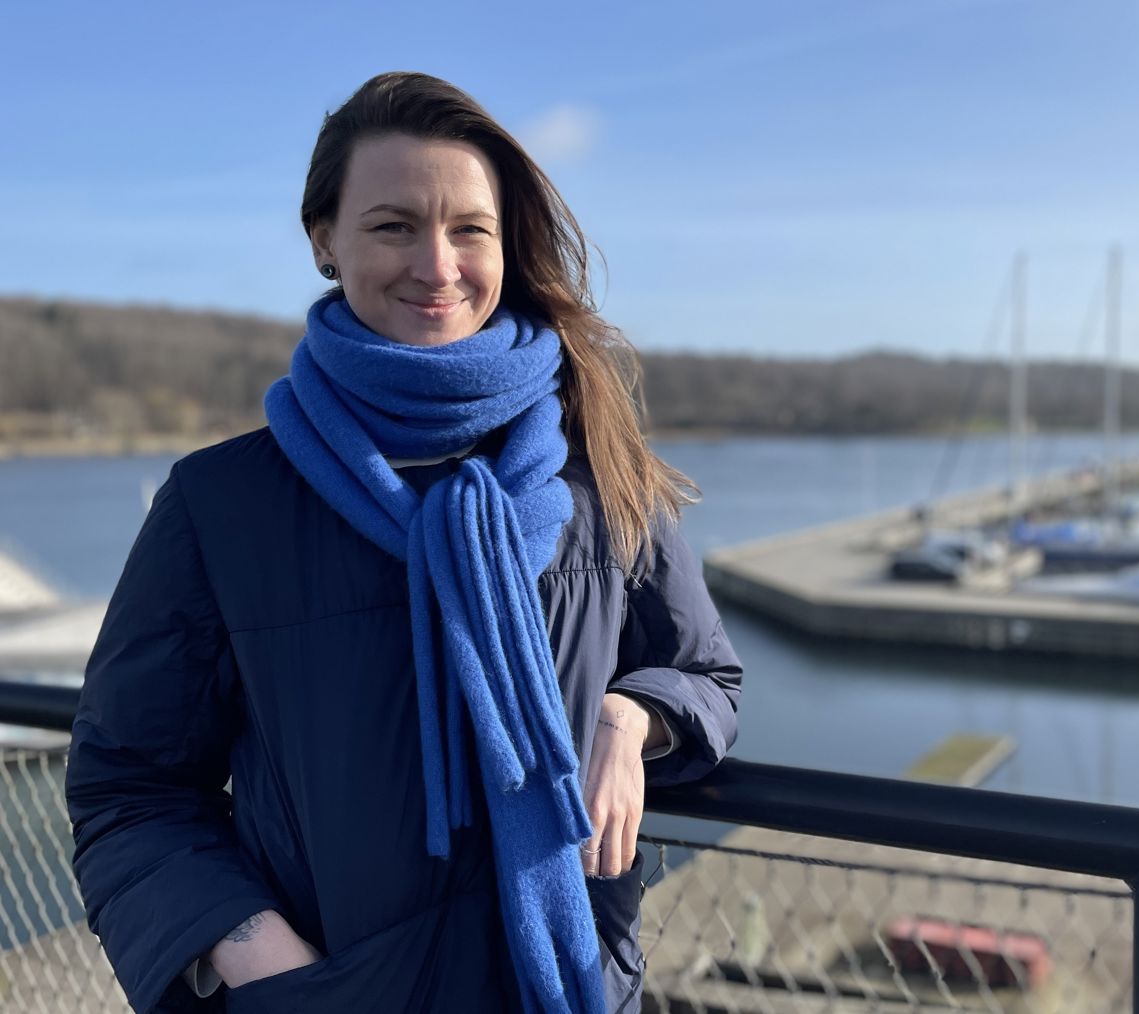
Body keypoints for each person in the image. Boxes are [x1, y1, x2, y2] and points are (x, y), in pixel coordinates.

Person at [64, 71, 742, 1014]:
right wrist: (258, 957)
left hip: (567, 989)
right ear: (324, 241)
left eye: (470, 229)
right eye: (393, 226)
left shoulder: (602, 478)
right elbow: (127, 787)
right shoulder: (220, 505)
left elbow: (708, 677)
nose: (437, 264)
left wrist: (631, 719)